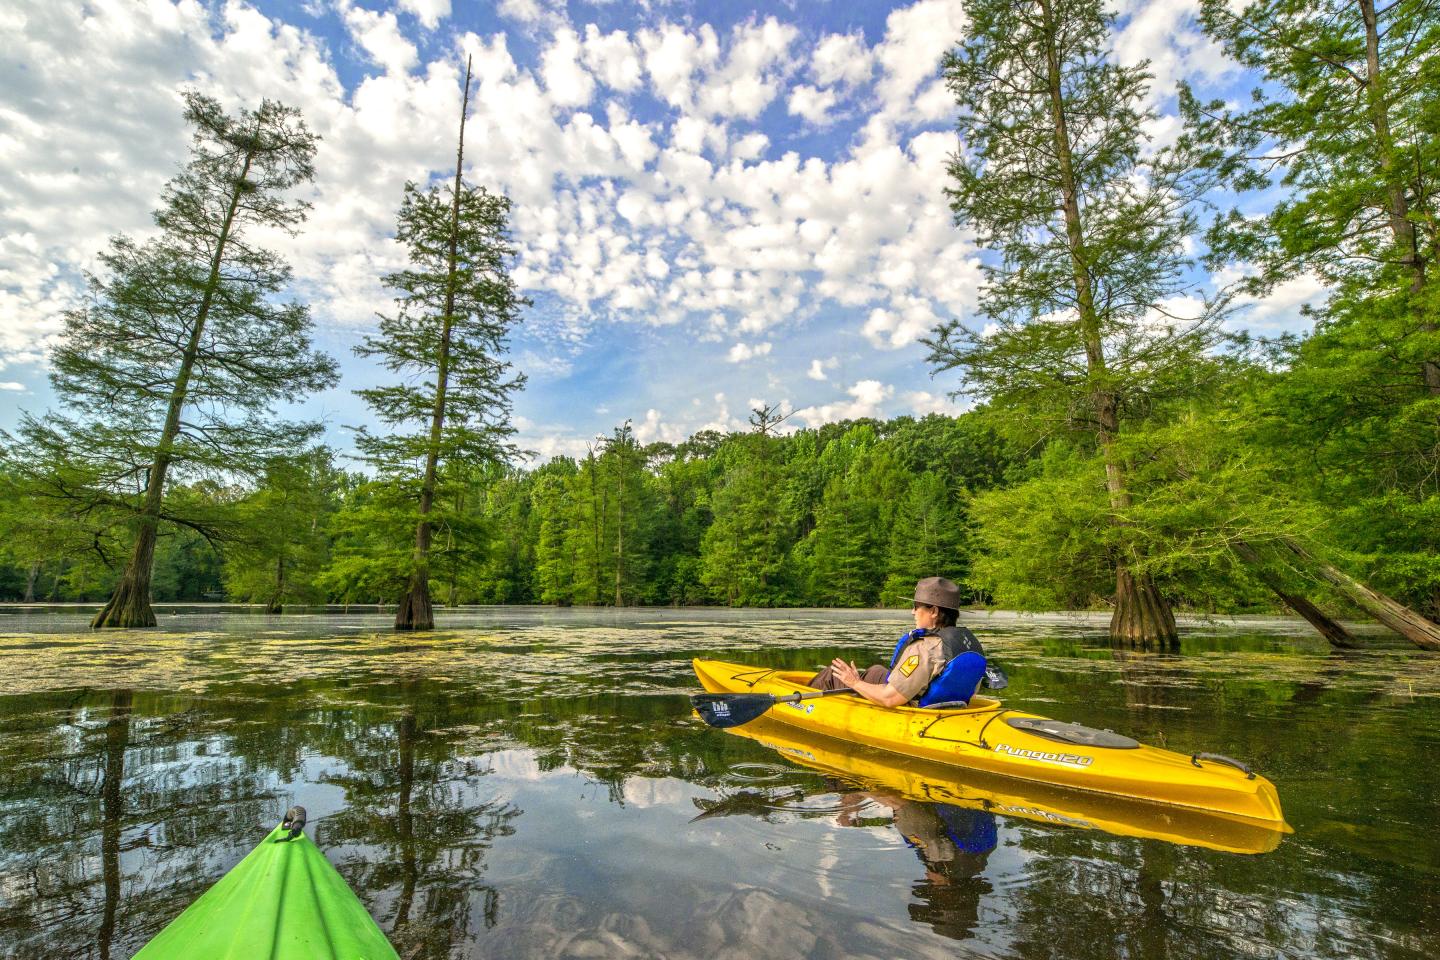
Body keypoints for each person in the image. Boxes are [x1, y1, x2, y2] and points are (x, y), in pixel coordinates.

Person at [809, 576, 985, 707]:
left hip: (913, 709)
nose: (912, 612)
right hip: (951, 707)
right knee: (876, 670)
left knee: (831, 674)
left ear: (934, 611)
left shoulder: (925, 648)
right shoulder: (969, 645)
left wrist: (854, 683)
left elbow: (890, 698)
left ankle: (803, 708)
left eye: (916, 607)